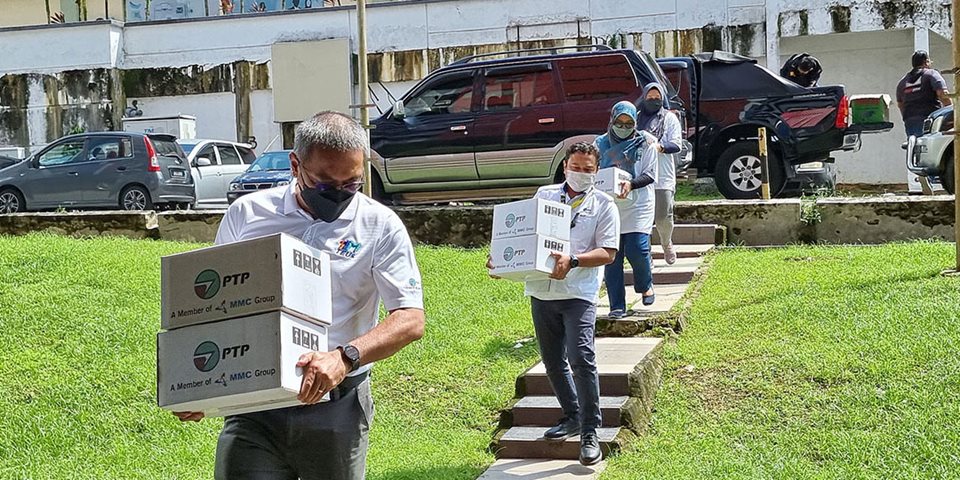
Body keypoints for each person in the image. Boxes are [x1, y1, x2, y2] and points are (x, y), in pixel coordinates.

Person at [173, 111, 426, 480]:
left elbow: (410, 319)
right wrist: (204, 390)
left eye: (352, 183)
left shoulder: (379, 225)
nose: (339, 194)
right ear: (296, 165)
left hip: (336, 409)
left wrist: (345, 358)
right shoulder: (248, 214)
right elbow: (213, 309)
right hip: (255, 408)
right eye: (325, 183)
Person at [487, 142, 620, 466]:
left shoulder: (604, 205)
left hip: (579, 294)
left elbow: (609, 253)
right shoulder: (544, 196)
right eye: (576, 168)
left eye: (589, 170)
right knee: (551, 361)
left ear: (596, 171)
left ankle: (590, 433)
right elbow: (525, 239)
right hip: (542, 293)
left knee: (581, 358)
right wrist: (503, 264)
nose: (582, 174)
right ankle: (572, 414)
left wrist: (573, 260)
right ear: (565, 167)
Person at [595, 101, 659, 318]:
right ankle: (617, 305)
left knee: (637, 249)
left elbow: (650, 174)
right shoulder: (599, 145)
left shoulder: (646, 143)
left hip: (638, 204)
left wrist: (631, 184)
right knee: (611, 257)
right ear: (611, 120)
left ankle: (645, 284)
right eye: (619, 122)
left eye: (628, 123)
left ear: (635, 122)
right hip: (610, 205)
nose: (623, 126)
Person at [637, 83, 683, 265]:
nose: (653, 101)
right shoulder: (636, 118)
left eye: (657, 98)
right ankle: (646, 253)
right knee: (642, 218)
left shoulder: (669, 118)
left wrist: (659, 147)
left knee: (663, 216)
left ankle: (666, 242)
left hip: (662, 177)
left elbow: (676, 144)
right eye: (650, 97)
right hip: (641, 175)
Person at [897, 50, 952, 138]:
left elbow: (900, 104)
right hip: (930, 121)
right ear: (926, 62)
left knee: (916, 148)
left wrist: (908, 118)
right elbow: (942, 94)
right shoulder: (931, 74)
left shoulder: (902, 82)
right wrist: (951, 112)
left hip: (910, 123)